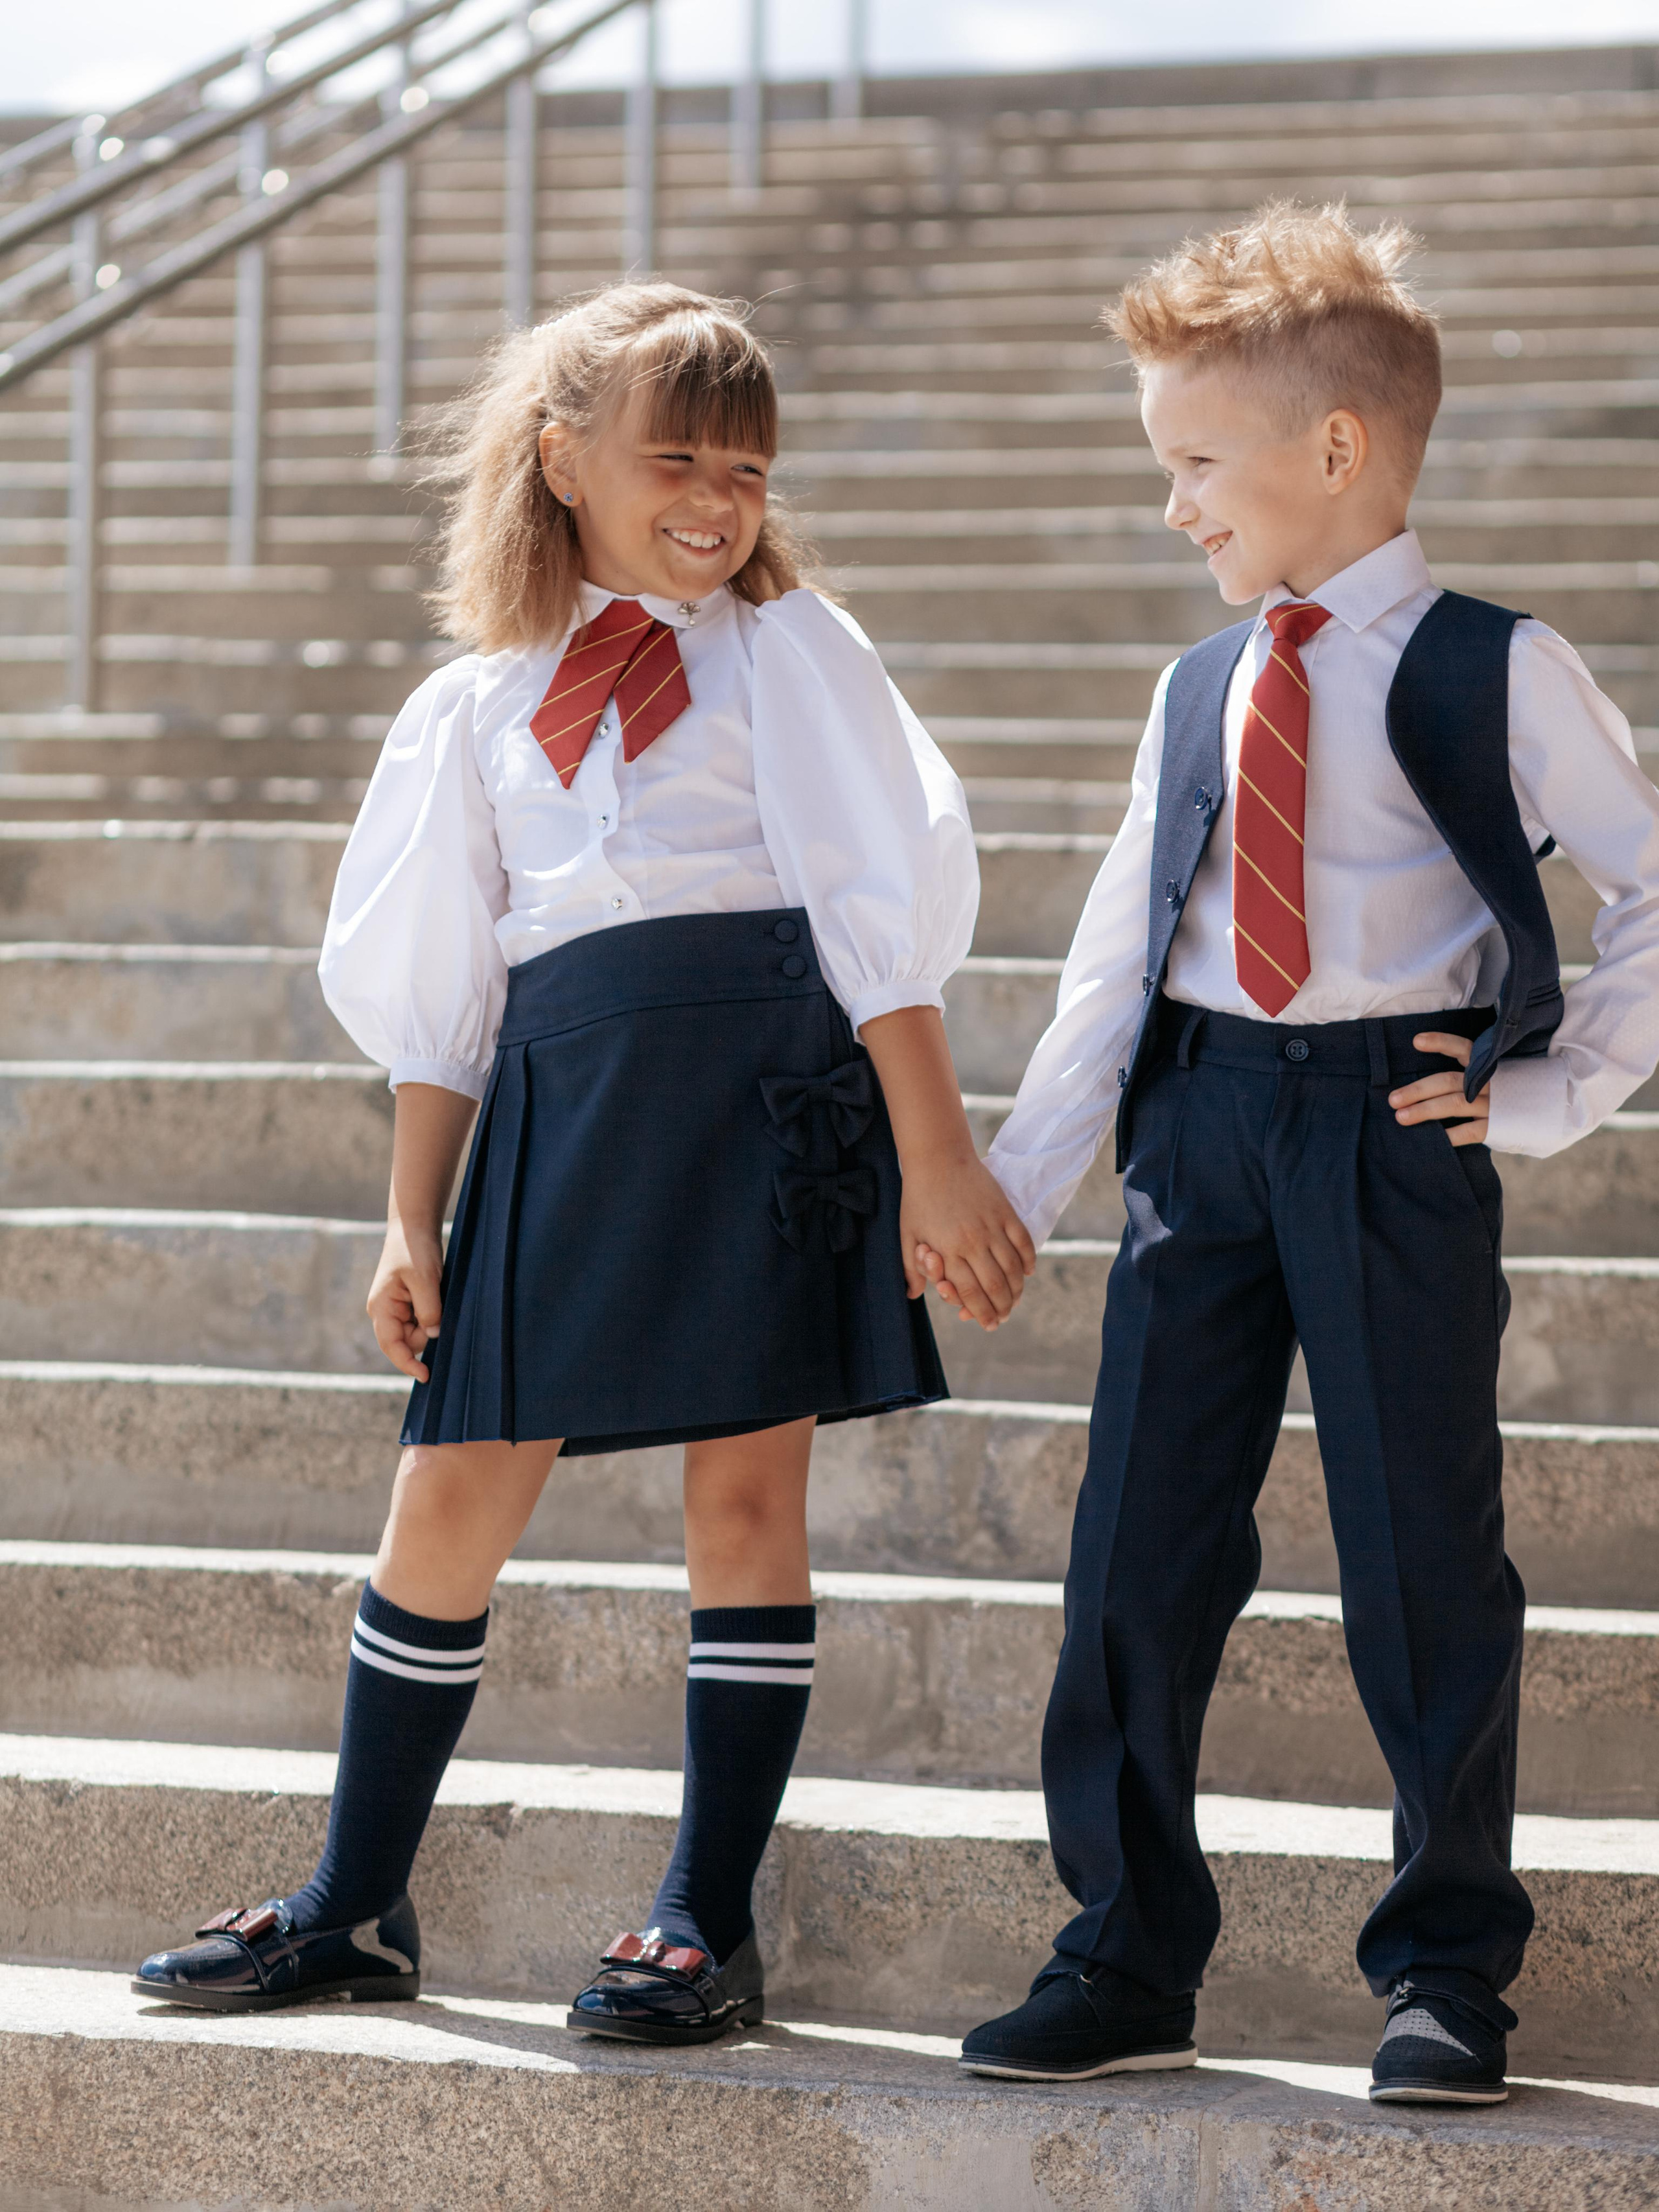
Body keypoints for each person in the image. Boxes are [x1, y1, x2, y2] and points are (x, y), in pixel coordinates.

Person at [132, 282, 1034, 2041]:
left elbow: (877, 918)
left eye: (750, 467)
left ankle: (707, 1923)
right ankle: (355, 1901)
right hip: (564, 1093)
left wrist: (937, 1156)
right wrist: (411, 1216)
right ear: (561, 461)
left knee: (745, 1498)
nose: (718, 498)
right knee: (452, 1486)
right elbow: (446, 996)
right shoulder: (475, 708)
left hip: (768, 1084)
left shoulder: (791, 653)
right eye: (677, 456)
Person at [946, 204, 1659, 2104]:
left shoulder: (1502, 665)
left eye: (1194, 464)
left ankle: (1444, 1978)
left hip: (1390, 1133)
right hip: (1200, 1126)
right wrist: (1021, 1184)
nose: (1175, 506)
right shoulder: (1199, 686)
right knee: (1137, 1550)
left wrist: (1548, 1091)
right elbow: (1120, 947)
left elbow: (1653, 891)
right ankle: (1120, 1950)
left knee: (1423, 1556)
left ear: (1332, 449)